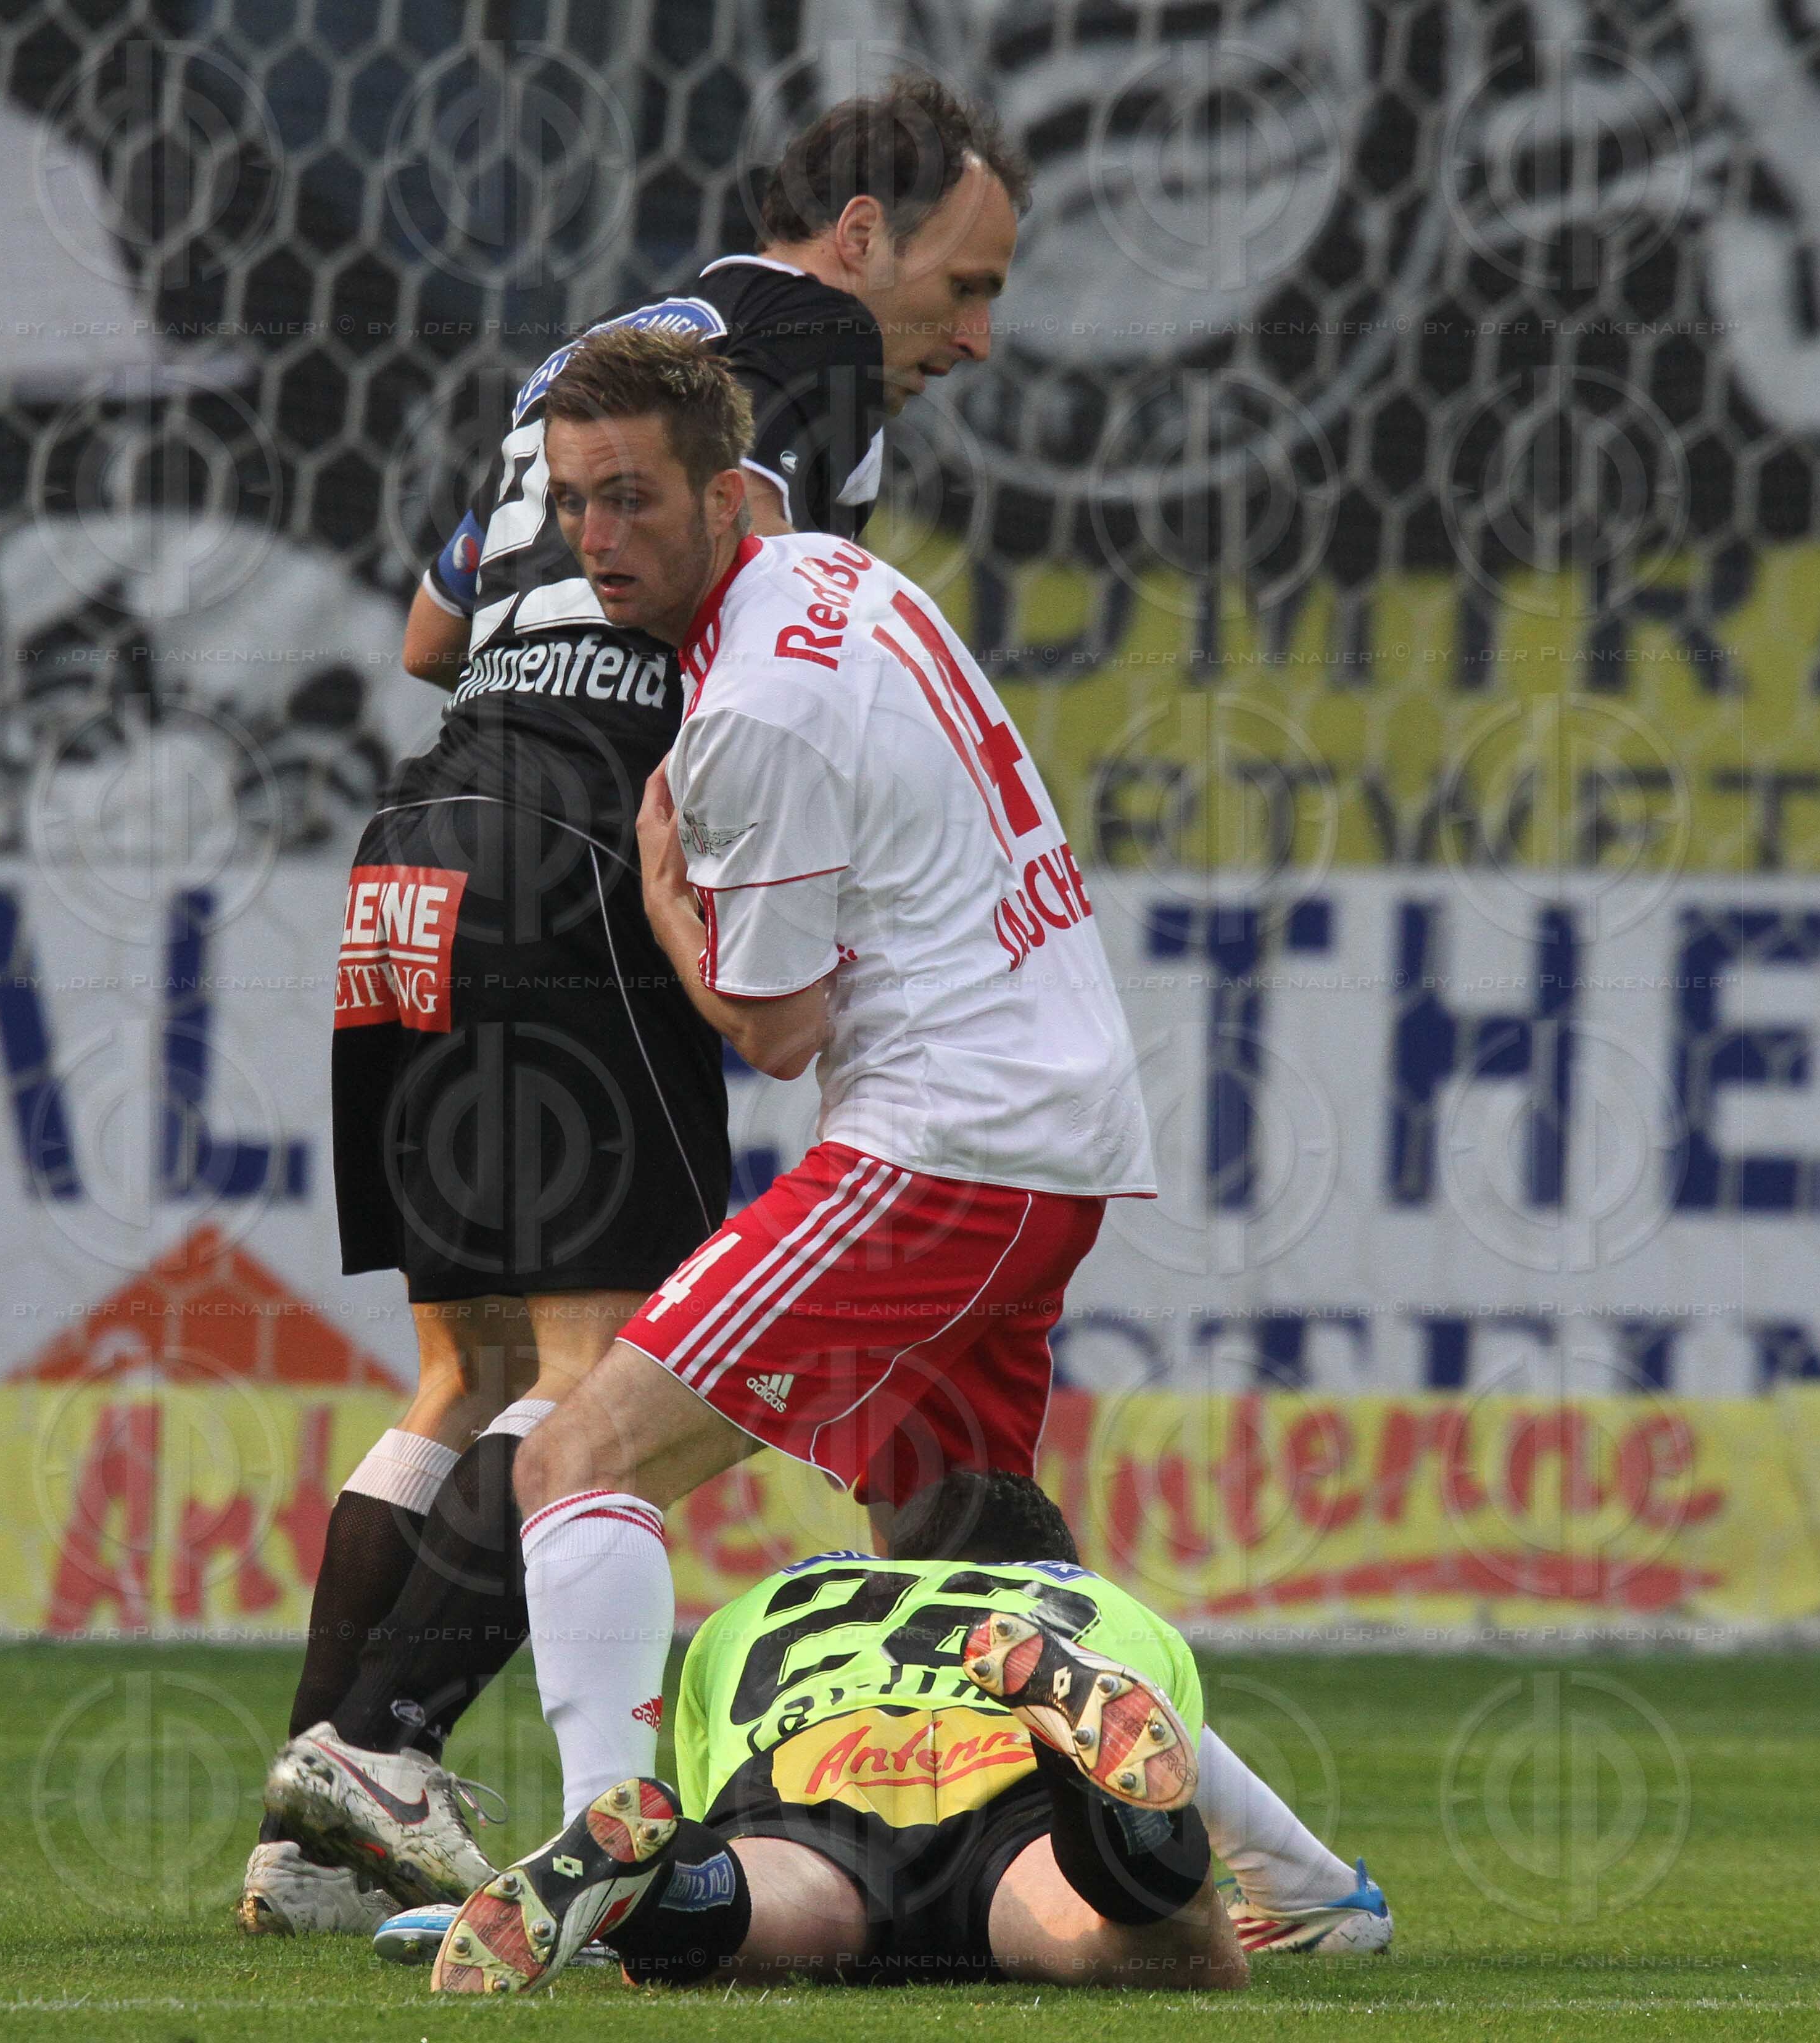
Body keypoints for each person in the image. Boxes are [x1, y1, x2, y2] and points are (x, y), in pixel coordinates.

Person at [270, 325, 1394, 1961]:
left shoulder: (751, 715)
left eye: (632, 500)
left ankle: (604, 1849)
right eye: (572, 503)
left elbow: (776, 1028)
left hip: (940, 1147)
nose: (596, 540)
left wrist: (665, 902)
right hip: (1050, 1127)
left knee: (579, 1458)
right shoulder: (830, 578)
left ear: (724, 494)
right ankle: (1307, 1886)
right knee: (960, 1561)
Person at [247, 75, 1032, 1934]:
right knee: (602, 1373)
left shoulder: (598, 361)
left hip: (421, 846)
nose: (975, 337)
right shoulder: (810, 349)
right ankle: (387, 1748)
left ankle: (312, 1831)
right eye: (966, 284)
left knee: (468, 1370)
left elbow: (428, 632)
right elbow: (770, 616)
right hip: (581, 857)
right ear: (860, 237)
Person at [421, 1472, 1381, 1992]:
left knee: (761, 1910)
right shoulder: (1098, 1602)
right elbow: (1179, 1752)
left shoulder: (765, 1602)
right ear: (1046, 1561)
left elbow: (716, 1792)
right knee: (1169, 1953)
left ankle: (665, 1891)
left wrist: (708, 1849)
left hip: (810, 1778)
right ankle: (1097, 1805)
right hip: (1005, 1794)